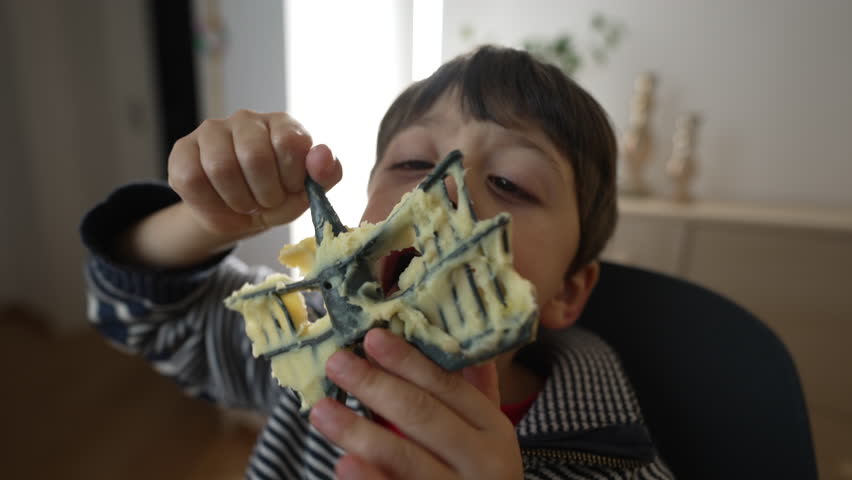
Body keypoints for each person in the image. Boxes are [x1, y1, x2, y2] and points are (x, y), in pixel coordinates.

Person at [81, 45, 674, 479]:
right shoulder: (305, 342)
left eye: (509, 182)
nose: (443, 192)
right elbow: (141, 317)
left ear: (568, 291)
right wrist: (210, 217)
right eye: (413, 164)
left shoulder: (612, 459)